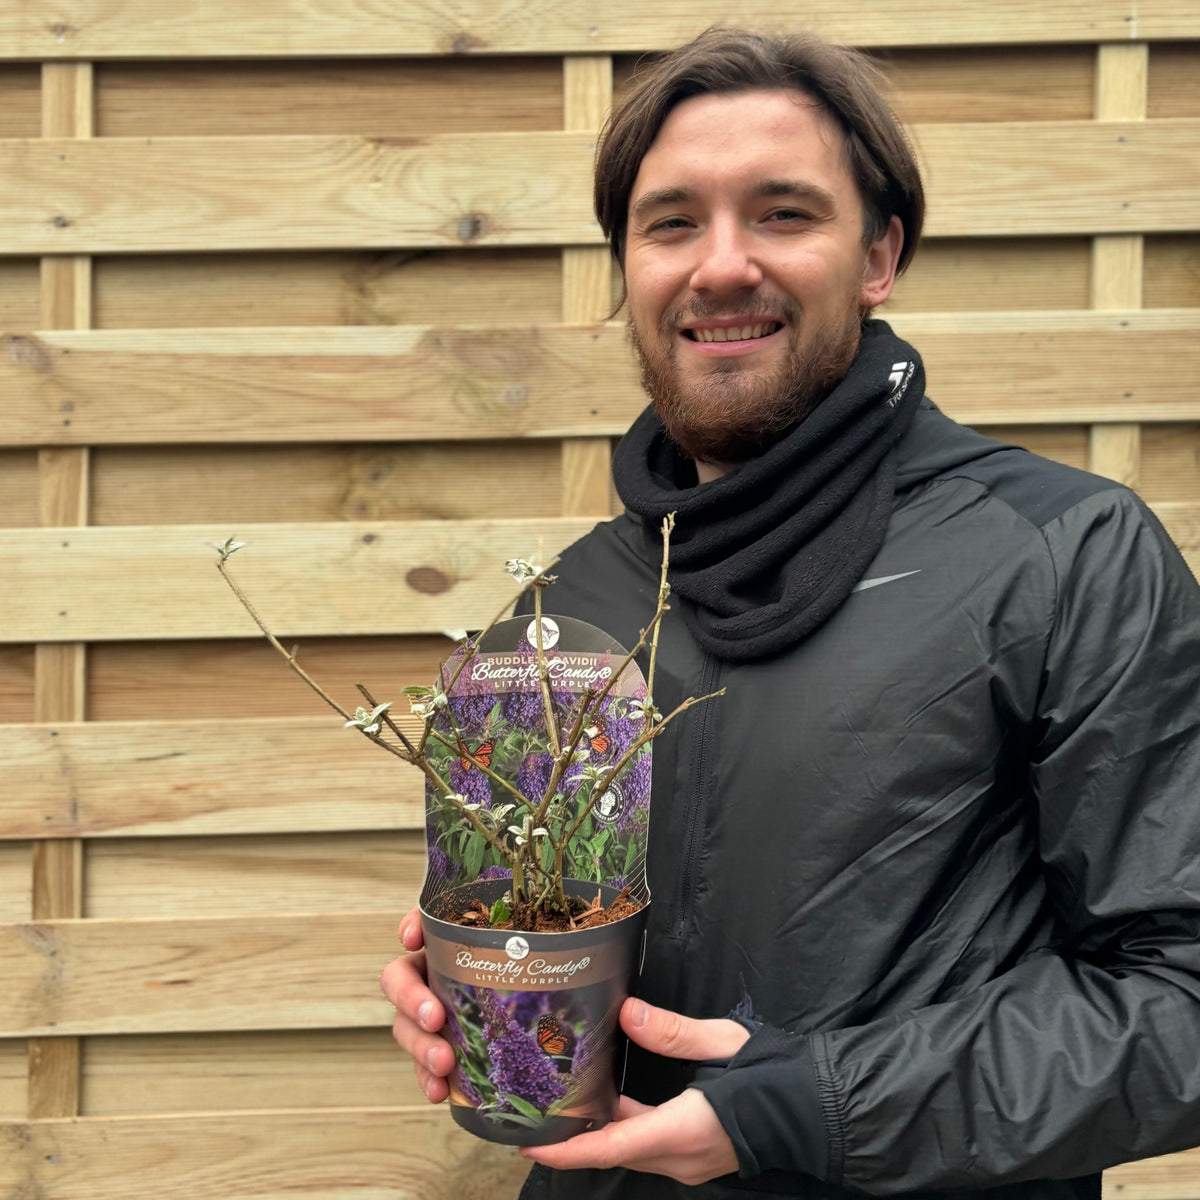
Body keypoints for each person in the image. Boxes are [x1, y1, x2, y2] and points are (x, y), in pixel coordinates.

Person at [380, 27, 1200, 1199]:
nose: (720, 265)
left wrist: (813, 1108)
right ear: (629, 266)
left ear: (879, 256)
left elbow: (1180, 996)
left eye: (781, 213)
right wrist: (461, 988)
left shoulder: (1062, 556)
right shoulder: (569, 605)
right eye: (672, 222)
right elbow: (534, 914)